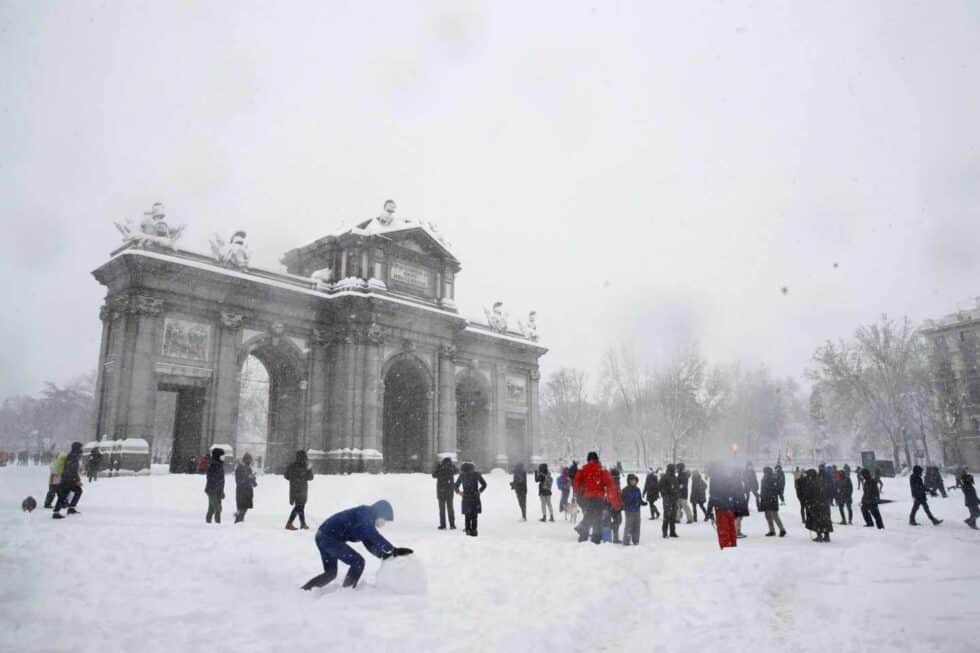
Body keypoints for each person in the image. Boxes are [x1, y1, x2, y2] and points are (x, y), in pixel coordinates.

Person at [300, 500, 413, 591]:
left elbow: (368, 541)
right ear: (380, 512)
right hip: (328, 538)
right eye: (385, 519)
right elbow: (371, 534)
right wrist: (393, 549)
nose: (384, 523)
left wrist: (382, 555)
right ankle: (347, 591)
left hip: (323, 537)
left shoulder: (366, 519)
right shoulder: (366, 513)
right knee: (358, 562)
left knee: (331, 573)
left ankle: (305, 590)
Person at [572, 452, 623, 544]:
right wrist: (612, 498)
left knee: (589, 514)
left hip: (587, 497)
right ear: (597, 459)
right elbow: (610, 484)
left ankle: (583, 535)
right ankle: (595, 537)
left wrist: (579, 492)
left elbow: (576, 482)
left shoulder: (583, 469)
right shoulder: (601, 469)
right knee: (598, 517)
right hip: (599, 497)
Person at [52, 442, 83, 519]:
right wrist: (77, 480)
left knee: (75, 492)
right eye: (80, 447)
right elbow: (72, 469)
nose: (82, 449)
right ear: (77, 448)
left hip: (68, 478)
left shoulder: (73, 455)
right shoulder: (73, 456)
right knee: (64, 495)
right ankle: (57, 512)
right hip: (68, 479)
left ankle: (70, 508)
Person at [455, 461, 487, 536]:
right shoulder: (476, 474)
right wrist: (479, 491)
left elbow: (455, 485)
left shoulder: (462, 475)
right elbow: (484, 484)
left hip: (466, 496)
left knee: (467, 514)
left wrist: (459, 492)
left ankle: (468, 529)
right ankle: (474, 530)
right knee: (474, 515)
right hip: (475, 496)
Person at [285, 450, 314, 530]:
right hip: (302, 489)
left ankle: (302, 523)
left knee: (300, 506)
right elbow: (310, 478)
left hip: (294, 488)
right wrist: (309, 470)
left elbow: (286, 476)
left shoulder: (292, 466)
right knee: (299, 506)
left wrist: (293, 479)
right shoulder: (305, 466)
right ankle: (289, 523)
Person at [804, 468, 833, 542]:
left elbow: (809, 494)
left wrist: (808, 502)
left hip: (816, 505)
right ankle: (827, 536)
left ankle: (819, 535)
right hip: (824, 504)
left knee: (817, 520)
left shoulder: (812, 483)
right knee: (825, 520)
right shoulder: (821, 481)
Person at [432, 457, 458, 530]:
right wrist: (451, 466)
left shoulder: (440, 467)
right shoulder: (451, 468)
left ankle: (443, 525)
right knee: (450, 508)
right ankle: (452, 525)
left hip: (441, 491)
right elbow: (457, 471)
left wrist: (439, 467)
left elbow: (434, 475)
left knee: (442, 509)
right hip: (449, 491)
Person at [760, 466, 787, 537]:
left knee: (774, 515)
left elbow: (777, 488)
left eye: (764, 471)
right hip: (767, 499)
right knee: (769, 516)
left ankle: (782, 530)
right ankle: (772, 530)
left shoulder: (772, 478)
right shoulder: (766, 477)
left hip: (771, 499)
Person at [621, 474, 645, 545]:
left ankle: (636, 540)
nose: (633, 482)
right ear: (629, 481)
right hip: (629, 510)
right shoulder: (625, 490)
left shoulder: (637, 489)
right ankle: (626, 541)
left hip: (637, 510)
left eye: (634, 480)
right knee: (629, 526)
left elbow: (639, 499)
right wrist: (631, 502)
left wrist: (642, 502)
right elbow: (624, 500)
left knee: (637, 525)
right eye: (632, 480)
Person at [234, 452, 257, 523]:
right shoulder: (239, 468)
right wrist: (248, 478)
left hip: (248, 491)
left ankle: (239, 519)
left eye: (250, 460)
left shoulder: (248, 468)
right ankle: (238, 521)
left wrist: (253, 480)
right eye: (249, 460)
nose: (250, 461)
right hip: (241, 491)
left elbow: (250, 478)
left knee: (245, 508)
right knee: (242, 508)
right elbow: (239, 481)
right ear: (245, 460)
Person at [205, 448, 225, 524]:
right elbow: (210, 478)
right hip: (212, 491)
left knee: (212, 509)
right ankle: (216, 524)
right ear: (217, 456)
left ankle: (210, 523)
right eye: (222, 455)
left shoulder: (220, 465)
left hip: (218, 491)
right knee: (218, 508)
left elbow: (221, 480)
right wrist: (214, 489)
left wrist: (222, 491)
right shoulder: (213, 465)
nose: (223, 457)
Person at [659, 464, 680, 538]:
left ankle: (672, 532)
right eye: (674, 469)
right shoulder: (665, 477)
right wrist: (665, 494)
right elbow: (660, 487)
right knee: (667, 516)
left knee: (673, 516)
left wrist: (677, 494)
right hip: (667, 499)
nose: (675, 470)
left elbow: (676, 487)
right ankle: (665, 532)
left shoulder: (674, 477)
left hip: (674, 499)